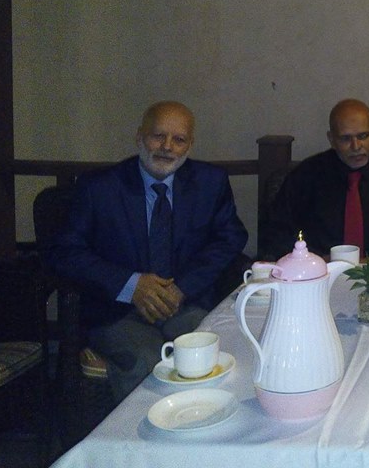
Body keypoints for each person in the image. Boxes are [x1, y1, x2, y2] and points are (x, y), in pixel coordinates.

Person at [46, 101, 248, 403]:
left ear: (190, 145)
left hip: (185, 304)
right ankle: (144, 432)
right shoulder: (99, 187)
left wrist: (182, 288)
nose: (167, 147)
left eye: (179, 140)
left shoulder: (210, 182)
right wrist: (132, 285)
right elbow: (64, 252)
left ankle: (208, 426)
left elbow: (231, 237)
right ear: (139, 137)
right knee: (150, 363)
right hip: (118, 311)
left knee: (212, 352)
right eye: (158, 136)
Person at [262, 99, 369, 263]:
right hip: (321, 269)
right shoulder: (307, 174)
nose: (356, 146)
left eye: (363, 136)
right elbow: (276, 231)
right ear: (332, 139)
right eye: (345, 139)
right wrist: (316, 260)